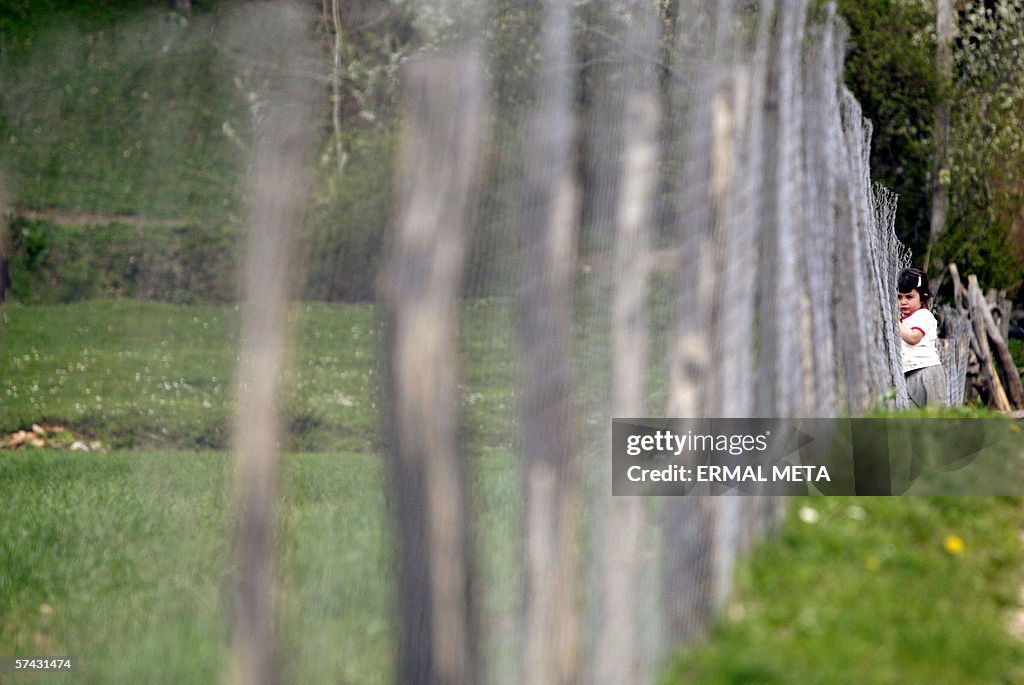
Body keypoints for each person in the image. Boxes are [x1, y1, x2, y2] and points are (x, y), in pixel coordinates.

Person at [897, 268, 947, 407]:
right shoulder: (904, 320)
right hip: (910, 373)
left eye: (909, 297)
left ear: (923, 297)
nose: (903, 302)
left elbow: (913, 338)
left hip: (927, 372)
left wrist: (895, 322)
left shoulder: (924, 315)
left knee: (934, 415)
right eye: (899, 297)